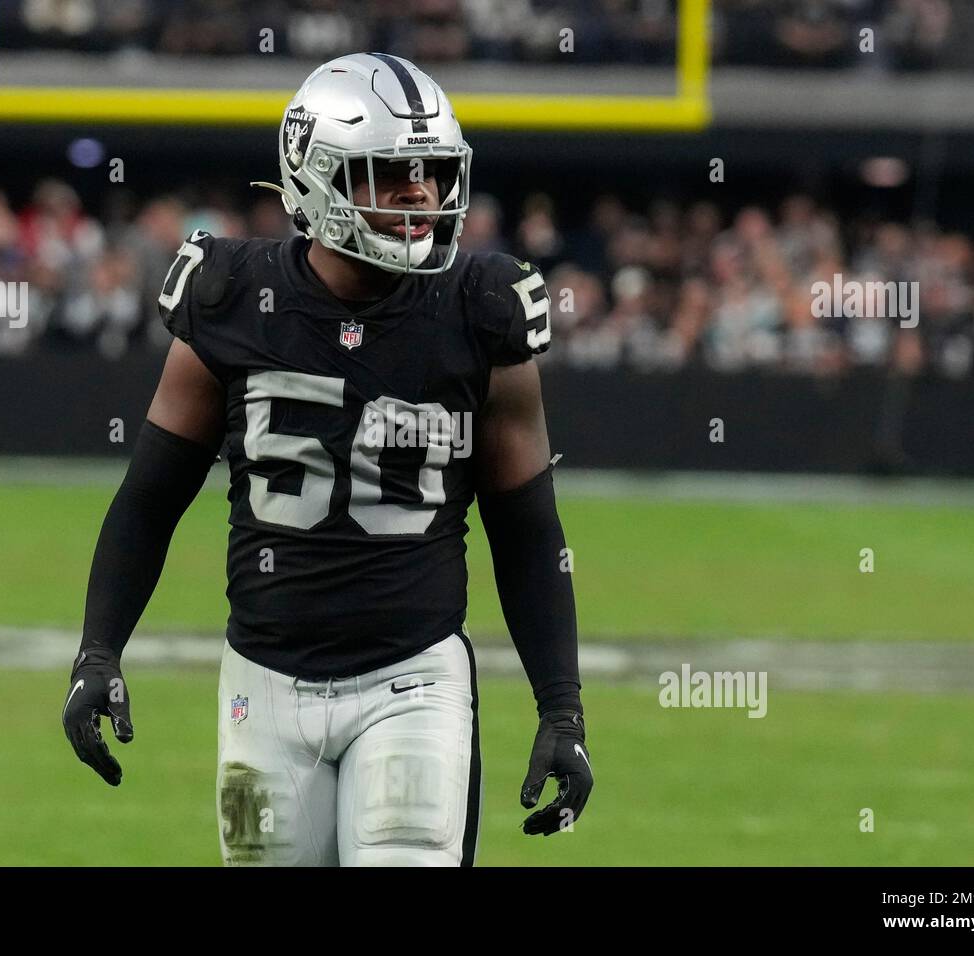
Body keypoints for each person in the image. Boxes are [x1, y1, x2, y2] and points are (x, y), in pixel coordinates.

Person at [62, 52, 592, 866]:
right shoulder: (230, 295)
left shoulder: (480, 307)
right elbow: (149, 497)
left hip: (411, 680)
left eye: (431, 172)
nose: (421, 194)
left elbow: (527, 528)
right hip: (262, 689)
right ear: (316, 178)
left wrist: (563, 709)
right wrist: (97, 652)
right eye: (391, 173)